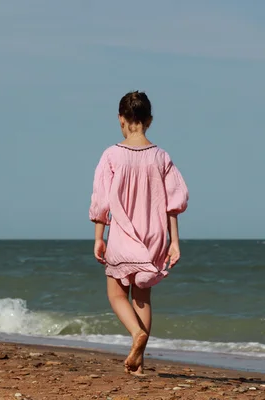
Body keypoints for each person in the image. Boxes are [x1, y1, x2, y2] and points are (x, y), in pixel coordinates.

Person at [88, 90, 189, 375]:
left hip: (122, 234)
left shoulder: (111, 155)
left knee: (116, 293)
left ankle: (136, 335)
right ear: (149, 120)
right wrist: (174, 242)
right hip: (154, 235)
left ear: (121, 119)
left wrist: (98, 237)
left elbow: (102, 201)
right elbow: (173, 202)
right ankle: (139, 364)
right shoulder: (161, 157)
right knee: (142, 297)